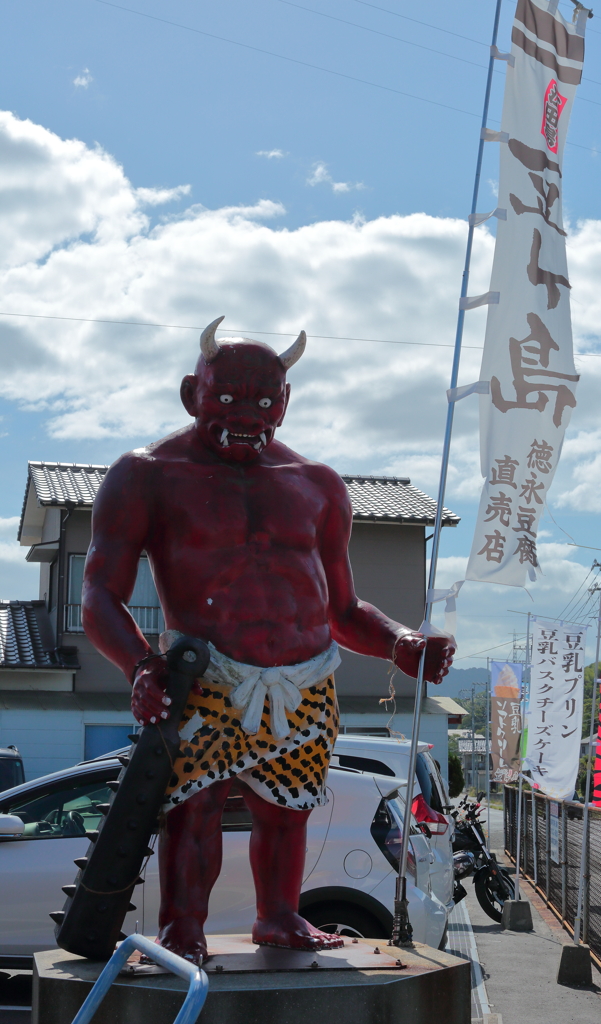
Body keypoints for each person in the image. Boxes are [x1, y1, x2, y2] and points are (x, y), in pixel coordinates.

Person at [82, 318, 455, 964]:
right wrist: (139, 664)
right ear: (189, 393)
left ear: (285, 402)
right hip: (205, 676)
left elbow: (342, 608)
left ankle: (279, 916)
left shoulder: (317, 484)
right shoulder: (146, 474)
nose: (248, 413)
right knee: (192, 809)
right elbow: (97, 593)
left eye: (265, 399)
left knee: (288, 811)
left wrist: (401, 642)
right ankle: (183, 929)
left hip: (305, 679)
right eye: (226, 397)